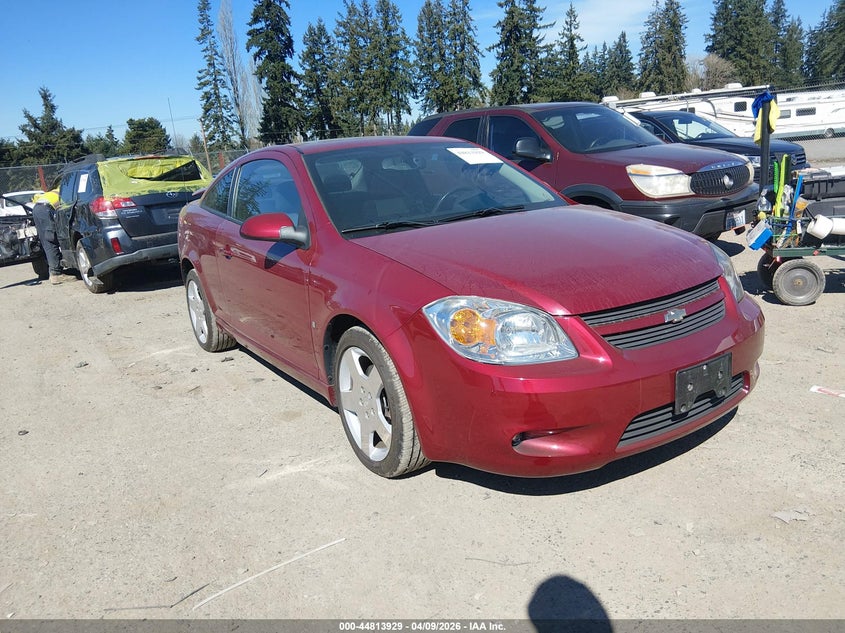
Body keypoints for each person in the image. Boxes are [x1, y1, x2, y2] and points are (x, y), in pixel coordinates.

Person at [30, 190, 69, 285]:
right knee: (51, 239)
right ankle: (56, 275)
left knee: (46, 241)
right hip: (45, 209)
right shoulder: (67, 190)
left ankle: (54, 271)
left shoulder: (58, 189)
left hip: (38, 209)